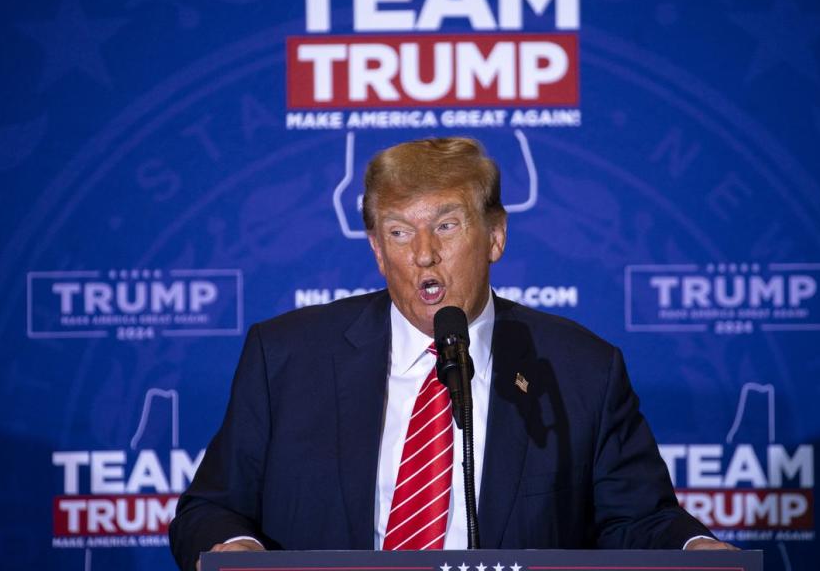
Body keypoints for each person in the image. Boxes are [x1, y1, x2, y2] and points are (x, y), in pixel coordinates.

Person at [169, 137, 733, 571]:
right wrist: (234, 549)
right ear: (375, 248)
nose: (424, 256)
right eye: (398, 232)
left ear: (494, 236)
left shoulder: (580, 369)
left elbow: (636, 519)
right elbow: (209, 509)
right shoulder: (286, 357)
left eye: (446, 225)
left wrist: (694, 546)